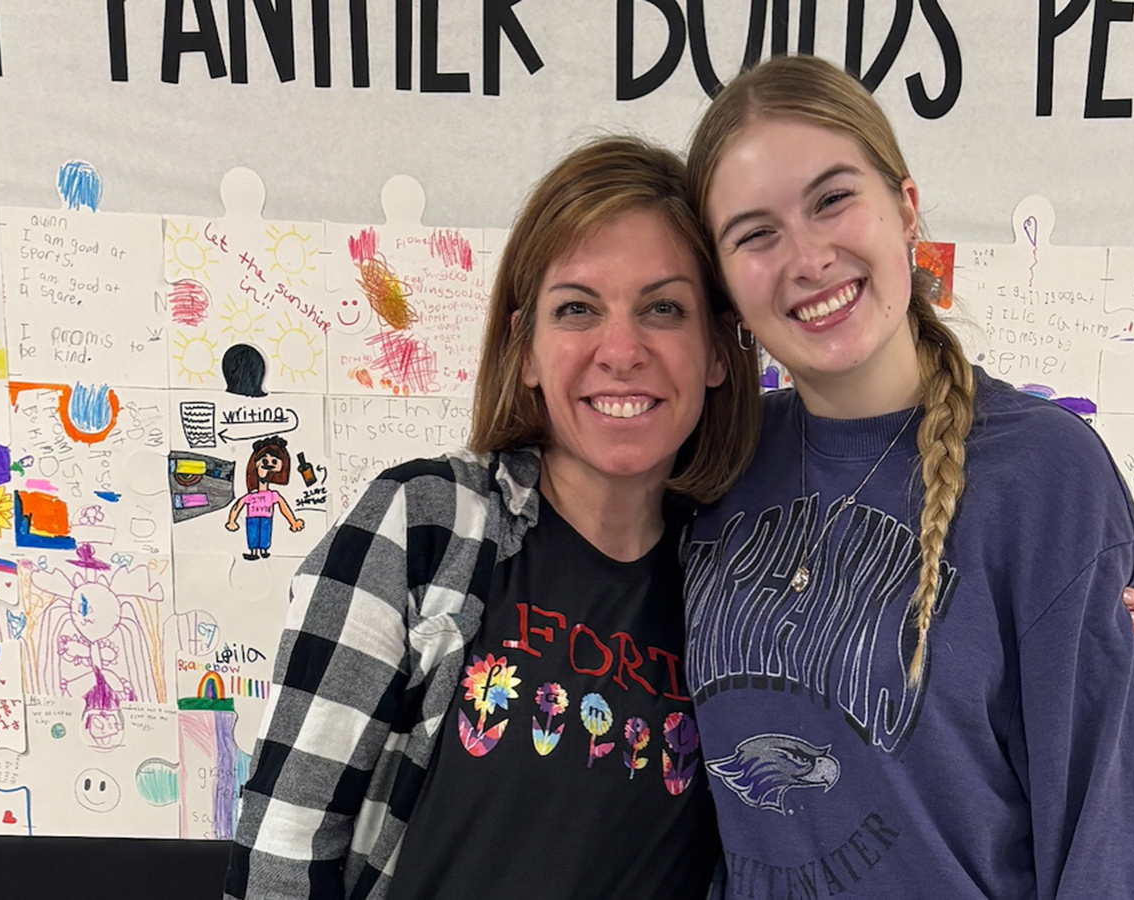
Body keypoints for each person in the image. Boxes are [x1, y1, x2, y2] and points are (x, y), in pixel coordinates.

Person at [681, 55, 1134, 899]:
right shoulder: (713, 465)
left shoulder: (1049, 476)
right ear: (723, 282)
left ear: (906, 209)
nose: (806, 257)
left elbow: (1108, 832)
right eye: (755, 234)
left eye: (833, 199)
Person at [226, 136, 760, 899]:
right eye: (577, 308)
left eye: (663, 308)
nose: (621, 349)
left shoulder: (735, 586)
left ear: (715, 350)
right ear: (527, 350)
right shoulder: (423, 528)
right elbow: (283, 844)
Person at [225, 436, 305, 560]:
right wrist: (231, 520)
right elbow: (237, 506)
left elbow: (284, 508)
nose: (267, 466)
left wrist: (293, 521)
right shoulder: (250, 496)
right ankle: (253, 552)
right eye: (264, 461)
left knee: (264, 534)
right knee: (252, 534)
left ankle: (263, 550)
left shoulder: (273, 495)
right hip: (252, 518)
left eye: (274, 462)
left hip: (266, 517)